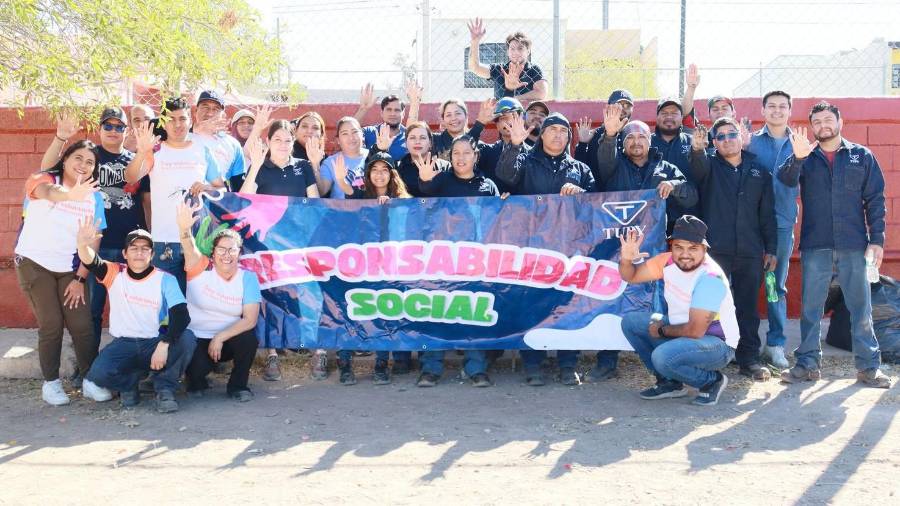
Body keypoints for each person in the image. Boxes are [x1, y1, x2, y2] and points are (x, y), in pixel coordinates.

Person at [777, 101, 892, 388]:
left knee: (861, 308)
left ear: (840, 122)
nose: (822, 125)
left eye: (828, 119)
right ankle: (807, 364)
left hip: (854, 245)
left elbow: (875, 200)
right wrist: (798, 158)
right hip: (816, 245)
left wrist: (876, 240)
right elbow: (785, 180)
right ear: (812, 126)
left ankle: (868, 368)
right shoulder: (806, 155)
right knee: (811, 308)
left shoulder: (861, 156)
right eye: (817, 122)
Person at [39, 109, 149, 378]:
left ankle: (134, 366)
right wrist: (60, 138)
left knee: (136, 308)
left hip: (130, 248)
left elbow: (145, 198)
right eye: (108, 126)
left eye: (119, 126)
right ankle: (87, 367)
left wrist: (150, 236)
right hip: (94, 245)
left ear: (127, 130)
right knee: (91, 313)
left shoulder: (134, 160)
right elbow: (46, 169)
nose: (113, 131)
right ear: (99, 129)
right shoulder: (89, 158)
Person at [591, 111, 700, 382]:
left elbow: (692, 196)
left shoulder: (665, 168)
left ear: (650, 141)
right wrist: (610, 135)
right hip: (615, 249)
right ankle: (607, 361)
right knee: (611, 301)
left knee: (658, 308)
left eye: (642, 136)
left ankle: (662, 364)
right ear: (623, 143)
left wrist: (674, 186)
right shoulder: (613, 166)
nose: (636, 142)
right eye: (630, 137)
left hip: (656, 251)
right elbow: (604, 159)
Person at [497, 112, 594, 386]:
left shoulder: (580, 169)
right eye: (552, 130)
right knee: (532, 306)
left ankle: (567, 364)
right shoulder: (525, 161)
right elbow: (505, 178)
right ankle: (533, 365)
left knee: (568, 306)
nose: (558, 135)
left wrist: (580, 193)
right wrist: (514, 146)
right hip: (532, 247)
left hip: (569, 248)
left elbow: (597, 203)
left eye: (564, 131)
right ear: (542, 135)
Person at [15, 140, 106, 406]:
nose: (83, 165)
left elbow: (93, 241)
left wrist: (80, 278)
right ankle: (51, 384)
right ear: (64, 159)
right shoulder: (43, 178)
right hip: (34, 262)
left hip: (68, 267)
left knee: (82, 325)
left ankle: (90, 380)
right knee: (52, 323)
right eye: (78, 158)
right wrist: (69, 195)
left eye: (90, 162)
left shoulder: (95, 197)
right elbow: (48, 192)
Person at [689, 118, 777, 381]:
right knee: (710, 306)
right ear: (714, 143)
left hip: (750, 250)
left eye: (731, 134)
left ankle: (748, 358)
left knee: (748, 307)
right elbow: (697, 166)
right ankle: (709, 358)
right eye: (721, 137)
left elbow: (767, 215)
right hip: (716, 252)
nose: (727, 140)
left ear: (741, 137)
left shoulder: (759, 171)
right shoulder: (708, 167)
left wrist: (771, 248)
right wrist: (696, 149)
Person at [76, 222, 197, 412]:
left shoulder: (165, 279)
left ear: (152, 254)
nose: (139, 253)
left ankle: (164, 388)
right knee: (98, 374)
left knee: (187, 338)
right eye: (134, 248)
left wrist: (164, 344)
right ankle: (130, 385)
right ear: (125, 254)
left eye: (145, 249)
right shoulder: (114, 272)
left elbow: (181, 316)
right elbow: (92, 261)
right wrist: (82, 245)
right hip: (124, 343)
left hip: (154, 342)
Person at [618, 217, 737, 406]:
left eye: (693, 248)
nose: (685, 254)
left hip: (717, 344)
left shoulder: (710, 277)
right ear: (671, 246)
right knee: (632, 322)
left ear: (704, 249)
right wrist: (626, 259)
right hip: (683, 329)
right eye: (679, 247)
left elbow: (695, 331)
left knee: (663, 356)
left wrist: (662, 330)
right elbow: (631, 276)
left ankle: (711, 381)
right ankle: (670, 383)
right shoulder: (667, 261)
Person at [412, 135, 499, 388]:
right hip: (442, 259)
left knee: (475, 313)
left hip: (476, 260)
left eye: (466, 153)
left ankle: (476, 368)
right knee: (437, 312)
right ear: (450, 157)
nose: (461, 158)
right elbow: (424, 195)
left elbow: (497, 220)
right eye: (456, 153)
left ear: (476, 156)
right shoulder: (441, 182)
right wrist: (425, 180)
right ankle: (431, 369)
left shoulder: (488, 185)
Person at [240, 120, 322, 381]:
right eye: (278, 140)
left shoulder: (303, 167)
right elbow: (243, 198)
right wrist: (255, 164)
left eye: (288, 140)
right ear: (268, 141)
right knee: (270, 297)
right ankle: (272, 355)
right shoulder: (260, 168)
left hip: (299, 243)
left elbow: (315, 203)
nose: (284, 145)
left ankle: (318, 350)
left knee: (310, 295)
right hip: (267, 246)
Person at [125, 96, 226, 292]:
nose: (177, 124)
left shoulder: (203, 150)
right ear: (163, 122)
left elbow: (222, 189)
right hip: (164, 241)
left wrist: (206, 188)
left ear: (190, 120)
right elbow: (130, 177)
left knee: (198, 301)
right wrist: (141, 151)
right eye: (171, 119)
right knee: (168, 306)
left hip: (198, 239)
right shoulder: (155, 151)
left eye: (182, 118)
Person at [332, 151, 413, 385]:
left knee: (384, 314)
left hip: (389, 267)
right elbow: (346, 192)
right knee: (350, 314)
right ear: (368, 174)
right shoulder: (360, 194)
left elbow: (413, 219)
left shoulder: (403, 198)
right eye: (374, 170)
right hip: (358, 264)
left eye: (384, 169)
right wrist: (339, 180)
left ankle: (380, 365)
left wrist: (393, 206)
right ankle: (345, 365)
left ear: (392, 174)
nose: (379, 174)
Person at [177, 203, 261, 402]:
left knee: (249, 338)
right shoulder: (199, 267)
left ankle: (238, 386)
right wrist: (184, 229)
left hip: (227, 339)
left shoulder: (247, 278)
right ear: (212, 253)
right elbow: (188, 247)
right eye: (221, 250)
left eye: (232, 250)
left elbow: (250, 320)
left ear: (239, 253)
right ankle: (196, 380)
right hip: (197, 338)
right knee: (196, 375)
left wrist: (220, 337)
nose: (226, 255)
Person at [747, 91, 797, 369]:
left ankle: (775, 344)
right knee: (742, 284)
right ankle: (741, 343)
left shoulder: (799, 143)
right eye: (772, 106)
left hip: (781, 225)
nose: (777, 111)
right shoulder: (750, 141)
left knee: (774, 285)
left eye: (782, 107)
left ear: (789, 111)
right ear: (763, 110)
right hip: (748, 224)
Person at [467, 18, 547, 100]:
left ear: (528, 51)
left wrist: (515, 99)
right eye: (512, 48)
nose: (516, 52)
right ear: (508, 52)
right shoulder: (499, 69)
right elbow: (475, 68)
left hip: (524, 111)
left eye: (520, 48)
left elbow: (541, 93)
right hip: (501, 112)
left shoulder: (534, 70)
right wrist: (475, 42)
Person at [191, 90, 246, 190]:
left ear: (223, 115)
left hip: (216, 203)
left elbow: (238, 187)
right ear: (195, 111)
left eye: (216, 109)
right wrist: (193, 129)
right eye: (205, 107)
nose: (210, 113)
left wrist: (212, 188)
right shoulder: (182, 136)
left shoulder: (233, 145)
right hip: (180, 202)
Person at [575, 89, 634, 181]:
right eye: (618, 105)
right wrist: (583, 144)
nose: (622, 109)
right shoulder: (596, 134)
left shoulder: (636, 133)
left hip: (629, 193)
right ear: (608, 108)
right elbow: (581, 170)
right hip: (600, 193)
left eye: (627, 106)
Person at [355, 81, 422, 161]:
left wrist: (415, 103)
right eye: (389, 110)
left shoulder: (409, 136)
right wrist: (363, 109)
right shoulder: (370, 132)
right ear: (382, 113)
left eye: (397, 110)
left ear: (403, 114)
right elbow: (350, 131)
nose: (392, 113)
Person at [384, 120, 451, 197]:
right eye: (412, 138)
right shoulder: (397, 168)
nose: (417, 142)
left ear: (430, 143)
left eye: (422, 138)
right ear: (406, 143)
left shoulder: (444, 167)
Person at [477, 97, 526, 194]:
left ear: (522, 120)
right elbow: (464, 149)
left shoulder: (533, 154)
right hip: (491, 207)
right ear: (496, 124)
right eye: (504, 118)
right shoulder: (487, 152)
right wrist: (480, 123)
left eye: (514, 117)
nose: (509, 122)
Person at [317, 117, 368, 199]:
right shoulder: (331, 162)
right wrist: (314, 163)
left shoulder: (372, 157)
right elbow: (321, 192)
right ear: (338, 140)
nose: (351, 137)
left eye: (354, 132)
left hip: (369, 211)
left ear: (362, 135)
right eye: (345, 133)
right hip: (339, 211)